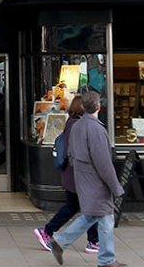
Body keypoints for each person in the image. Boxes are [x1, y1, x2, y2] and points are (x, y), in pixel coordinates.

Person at [49, 90, 128, 267]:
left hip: (82, 177)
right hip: (97, 181)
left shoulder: (76, 126)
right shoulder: (97, 129)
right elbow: (104, 163)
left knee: (92, 215)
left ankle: (60, 242)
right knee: (106, 217)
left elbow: (70, 153)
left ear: (83, 107)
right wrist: (115, 186)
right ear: (99, 107)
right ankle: (107, 259)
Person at [34, 95, 100, 254]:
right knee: (87, 207)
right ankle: (49, 231)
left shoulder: (72, 122)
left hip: (73, 174)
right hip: (78, 174)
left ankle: (92, 240)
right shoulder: (79, 125)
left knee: (79, 206)